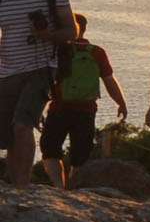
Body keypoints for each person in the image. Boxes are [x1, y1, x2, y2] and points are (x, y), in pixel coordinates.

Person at [2, 0, 79, 186]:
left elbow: (72, 30)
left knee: (23, 125)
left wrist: (47, 35)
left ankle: (23, 185)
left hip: (42, 68)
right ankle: (15, 184)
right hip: (6, 72)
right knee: (9, 133)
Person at [38, 11, 127, 185]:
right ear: (84, 29)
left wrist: (39, 109)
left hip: (59, 108)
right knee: (81, 155)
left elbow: (44, 82)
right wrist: (121, 103)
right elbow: (109, 81)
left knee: (50, 150)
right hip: (86, 109)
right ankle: (74, 186)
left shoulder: (56, 51)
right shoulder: (96, 52)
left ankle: (58, 187)